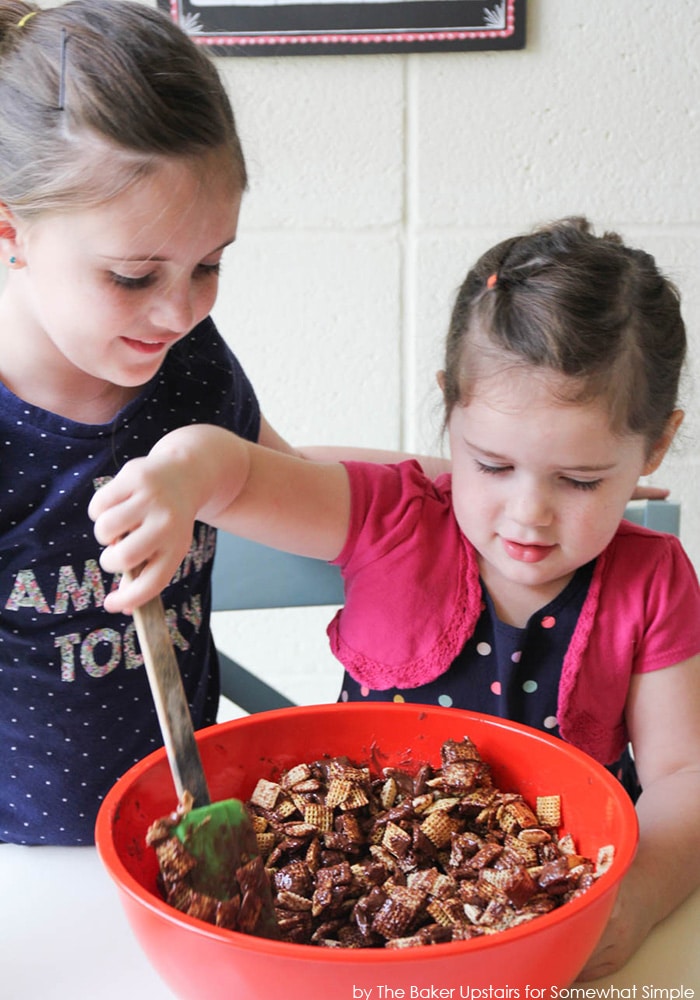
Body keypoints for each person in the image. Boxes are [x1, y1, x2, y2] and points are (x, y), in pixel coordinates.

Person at [92, 217, 700, 979]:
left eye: (580, 481)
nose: (528, 514)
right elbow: (240, 473)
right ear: (450, 413)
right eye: (492, 465)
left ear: (653, 449)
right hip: (346, 934)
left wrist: (638, 902)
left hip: (551, 931)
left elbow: (683, 775)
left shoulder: (654, 579)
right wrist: (178, 476)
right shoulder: (393, 518)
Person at [0, 0, 449, 848]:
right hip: (25, 868)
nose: (179, 310)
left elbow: (288, 475)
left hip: (190, 837)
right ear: (10, 230)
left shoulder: (192, 364)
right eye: (134, 275)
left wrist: (480, 475)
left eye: (209, 263)